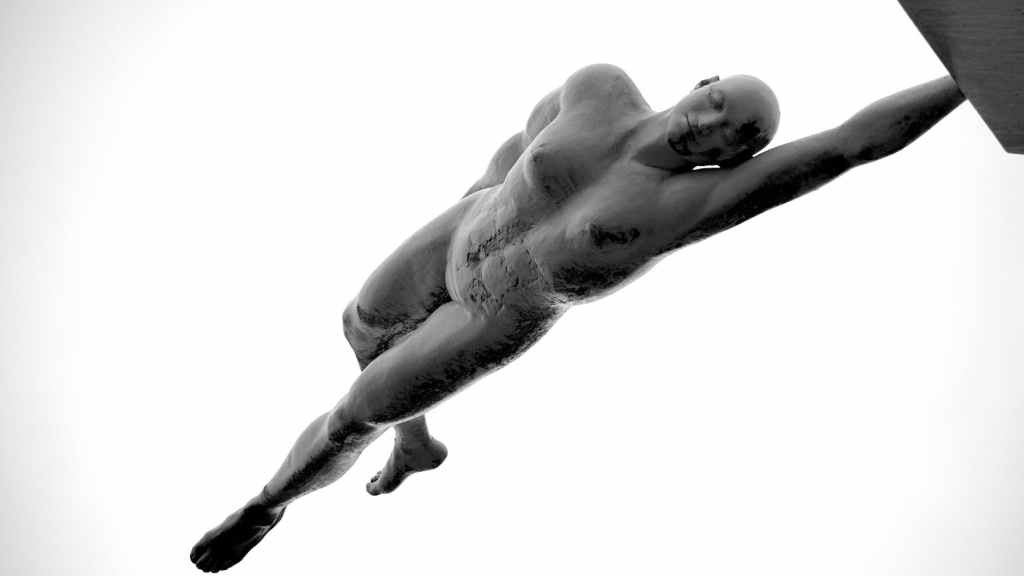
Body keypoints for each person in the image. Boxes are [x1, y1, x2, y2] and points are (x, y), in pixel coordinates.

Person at [190, 63, 965, 572]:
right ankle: (417, 444)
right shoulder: (600, 89)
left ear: (737, 159)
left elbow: (849, 145)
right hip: (462, 232)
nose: (714, 125)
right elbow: (516, 146)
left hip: (496, 315)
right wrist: (476, 200)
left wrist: (968, 76)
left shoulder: (693, 202)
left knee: (354, 414)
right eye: (719, 104)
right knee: (360, 327)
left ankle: (266, 506)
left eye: (739, 136)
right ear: (704, 81)